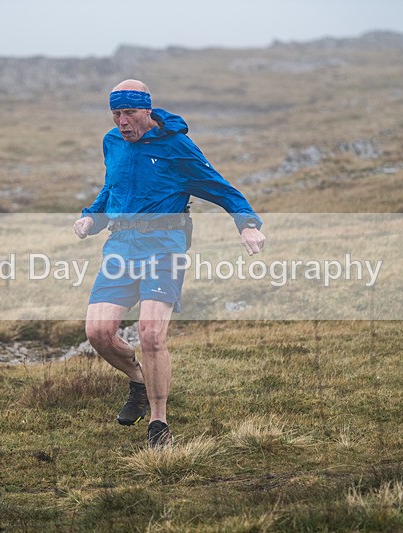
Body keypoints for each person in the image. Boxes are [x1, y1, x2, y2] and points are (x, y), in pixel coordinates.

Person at [73, 79, 265, 447]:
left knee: (150, 333)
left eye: (128, 112)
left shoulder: (177, 147)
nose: (121, 121)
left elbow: (220, 187)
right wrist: (92, 217)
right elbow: (111, 187)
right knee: (97, 333)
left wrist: (248, 225)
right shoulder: (112, 142)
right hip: (121, 247)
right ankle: (138, 381)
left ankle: (159, 423)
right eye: (115, 113)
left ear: (147, 109)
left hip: (164, 247)